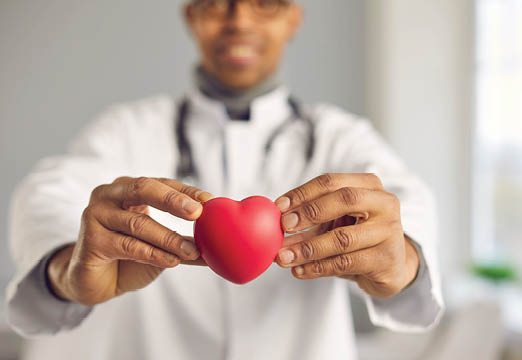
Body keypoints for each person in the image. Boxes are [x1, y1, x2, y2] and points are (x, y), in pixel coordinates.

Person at [5, 0, 443, 359]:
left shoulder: (339, 137)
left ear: (294, 18)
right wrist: (68, 269)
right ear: (191, 16)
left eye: (265, 4)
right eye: (218, 4)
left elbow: (407, 202)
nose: (239, 21)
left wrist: (400, 258)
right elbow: (46, 195)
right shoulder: (127, 130)